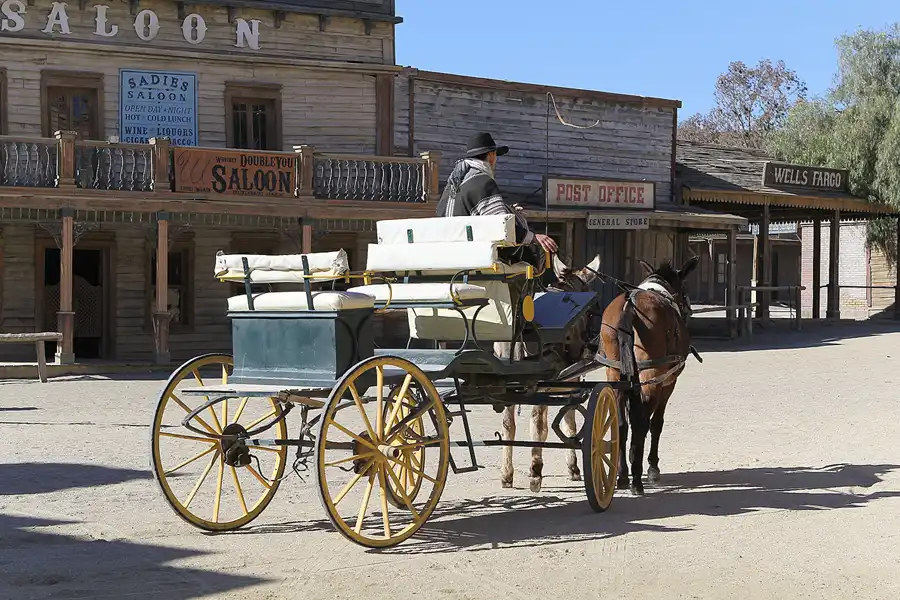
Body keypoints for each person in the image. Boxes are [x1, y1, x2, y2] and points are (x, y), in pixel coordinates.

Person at [436, 132, 558, 256]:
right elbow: (500, 225)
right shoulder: (483, 182)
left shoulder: (452, 185)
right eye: (495, 155)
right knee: (539, 254)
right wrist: (534, 237)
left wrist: (509, 210)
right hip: (474, 255)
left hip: (449, 252)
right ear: (491, 156)